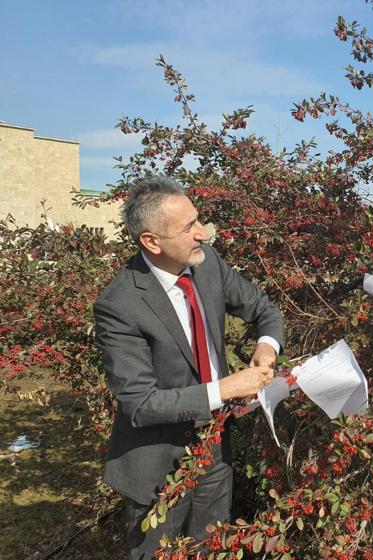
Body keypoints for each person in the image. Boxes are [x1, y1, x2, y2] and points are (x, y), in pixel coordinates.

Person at [94, 176, 284, 559]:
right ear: (151, 241)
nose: (203, 234)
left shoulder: (207, 264)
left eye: (200, 220)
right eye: (188, 227)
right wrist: (227, 389)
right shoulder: (120, 305)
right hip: (155, 464)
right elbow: (141, 404)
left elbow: (264, 309)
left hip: (213, 448)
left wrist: (267, 346)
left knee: (211, 547)